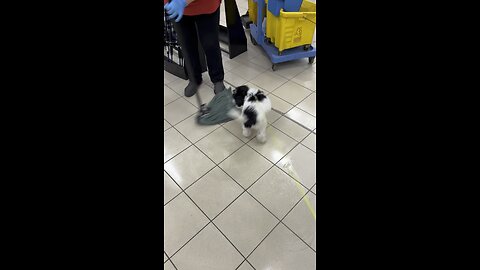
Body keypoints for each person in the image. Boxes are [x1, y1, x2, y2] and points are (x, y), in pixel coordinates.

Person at [164, 0, 225, 97]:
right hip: (177, 8)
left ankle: (217, 78)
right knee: (187, 45)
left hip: (206, 5)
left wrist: (183, 1)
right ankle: (194, 78)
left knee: (210, 44)